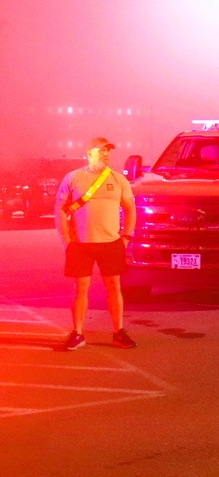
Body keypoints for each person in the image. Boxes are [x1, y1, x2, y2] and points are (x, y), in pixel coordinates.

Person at [54, 137, 137, 351]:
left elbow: (130, 209)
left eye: (108, 151)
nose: (106, 154)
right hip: (80, 245)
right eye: (101, 151)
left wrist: (126, 237)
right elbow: (60, 212)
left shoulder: (119, 180)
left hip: (111, 243)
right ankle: (78, 333)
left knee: (114, 287)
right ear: (90, 153)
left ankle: (118, 332)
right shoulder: (73, 178)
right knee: (80, 289)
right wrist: (66, 242)